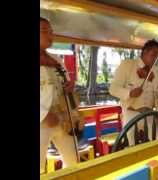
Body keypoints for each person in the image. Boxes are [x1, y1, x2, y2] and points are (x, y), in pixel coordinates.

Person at [109, 39, 158, 146]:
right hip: (130, 113)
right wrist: (130, 93)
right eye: (153, 55)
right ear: (144, 53)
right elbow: (113, 89)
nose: (156, 59)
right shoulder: (128, 65)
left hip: (149, 113)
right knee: (131, 145)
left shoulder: (157, 71)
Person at [40, 17, 79, 174]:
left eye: (51, 32)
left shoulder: (56, 59)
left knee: (73, 162)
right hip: (42, 121)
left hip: (63, 118)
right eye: (44, 31)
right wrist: (43, 114)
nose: (50, 35)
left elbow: (65, 82)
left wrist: (70, 85)